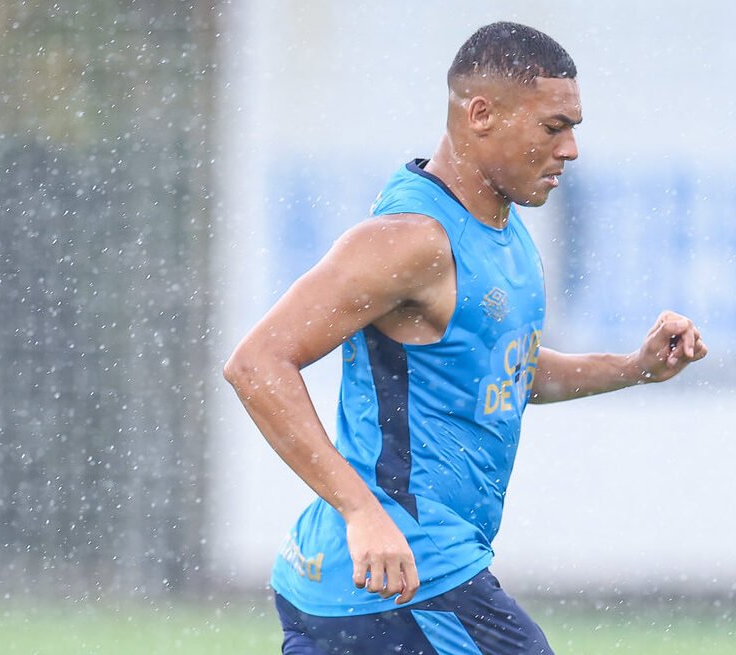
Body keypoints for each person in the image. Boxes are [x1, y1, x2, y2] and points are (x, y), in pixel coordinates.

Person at [224, 20, 707, 655]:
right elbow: (256, 363)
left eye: (574, 128)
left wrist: (633, 366)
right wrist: (363, 512)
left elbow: (509, 372)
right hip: (403, 576)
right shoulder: (411, 238)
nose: (570, 149)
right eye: (553, 127)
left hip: (359, 583)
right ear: (481, 115)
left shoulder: (503, 231)